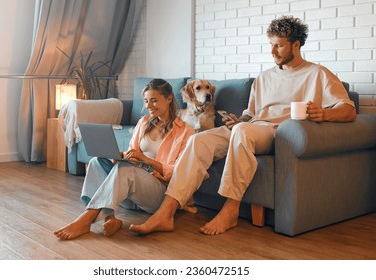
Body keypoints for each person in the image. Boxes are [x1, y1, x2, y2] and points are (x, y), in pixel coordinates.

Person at [129, 15, 357, 236]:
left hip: (279, 132)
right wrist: (239, 121)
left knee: (242, 131)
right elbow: (250, 114)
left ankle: (231, 210)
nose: (272, 52)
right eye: (271, 45)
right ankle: (165, 214)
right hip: (250, 128)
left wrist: (324, 114)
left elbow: (349, 109)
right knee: (199, 140)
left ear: (296, 45)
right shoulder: (264, 78)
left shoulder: (318, 74)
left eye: (278, 46)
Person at [54, 79, 195, 240]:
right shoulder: (143, 123)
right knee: (96, 162)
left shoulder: (186, 132)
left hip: (159, 197)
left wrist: (146, 160)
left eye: (154, 100)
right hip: (131, 191)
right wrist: (121, 157)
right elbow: (132, 152)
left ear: (169, 99)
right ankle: (110, 218)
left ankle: (85, 220)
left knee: (127, 170)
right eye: (146, 101)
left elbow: (179, 174)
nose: (149, 106)